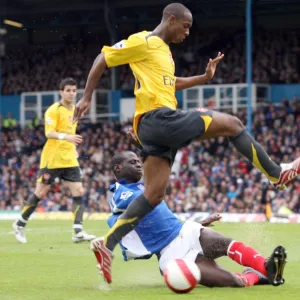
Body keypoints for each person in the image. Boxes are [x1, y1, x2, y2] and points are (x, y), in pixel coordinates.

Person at [73, 2, 299, 283]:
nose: (188, 32)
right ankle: (276, 174)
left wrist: (203, 78)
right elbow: (103, 58)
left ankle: (107, 244)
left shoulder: (164, 53)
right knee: (233, 125)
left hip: (152, 128)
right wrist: (86, 97)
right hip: (159, 119)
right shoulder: (144, 41)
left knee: (154, 195)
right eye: (186, 25)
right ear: (170, 19)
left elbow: (171, 83)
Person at [91, 151, 287, 288]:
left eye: (138, 161)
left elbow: (163, 219)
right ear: (117, 168)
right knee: (232, 282)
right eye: (132, 162)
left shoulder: (147, 187)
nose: (137, 164)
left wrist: (200, 224)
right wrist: (106, 241)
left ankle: (267, 266)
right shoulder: (120, 193)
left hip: (184, 232)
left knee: (226, 244)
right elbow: (127, 212)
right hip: (171, 256)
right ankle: (253, 276)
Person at [13, 78, 95, 244]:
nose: (72, 93)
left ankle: (78, 231)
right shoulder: (53, 110)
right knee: (41, 193)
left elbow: (71, 130)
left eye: (74, 90)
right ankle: (20, 223)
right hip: (53, 158)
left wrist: (73, 148)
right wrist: (66, 137)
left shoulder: (76, 110)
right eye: (68, 90)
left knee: (78, 192)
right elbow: (49, 133)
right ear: (61, 92)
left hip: (69, 158)